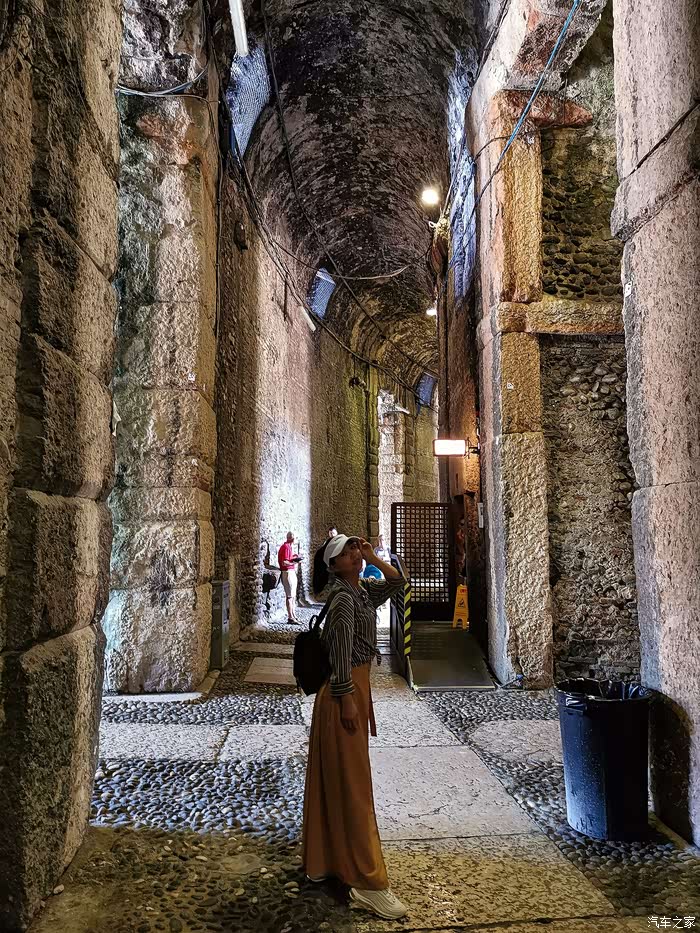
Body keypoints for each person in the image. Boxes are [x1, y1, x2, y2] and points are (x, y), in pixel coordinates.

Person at [302, 533, 409, 920]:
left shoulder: (361, 590)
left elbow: (398, 583)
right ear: (334, 566)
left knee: (337, 779)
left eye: (355, 548)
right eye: (347, 551)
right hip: (342, 694)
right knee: (354, 785)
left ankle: (324, 861)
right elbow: (340, 654)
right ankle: (368, 883)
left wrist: (372, 557)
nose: (354, 553)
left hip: (353, 691)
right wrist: (347, 699)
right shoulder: (345, 599)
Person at [277, 531, 301, 623]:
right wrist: (294, 562)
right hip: (287, 572)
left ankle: (293, 615)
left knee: (293, 596)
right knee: (290, 596)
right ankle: (290, 617)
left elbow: (288, 559)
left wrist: (294, 557)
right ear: (293, 539)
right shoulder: (286, 547)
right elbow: (284, 562)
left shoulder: (289, 547)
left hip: (290, 572)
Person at [312, 526, 338, 596]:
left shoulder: (335, 542)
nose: (332, 535)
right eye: (330, 533)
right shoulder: (328, 543)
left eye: (333, 533)